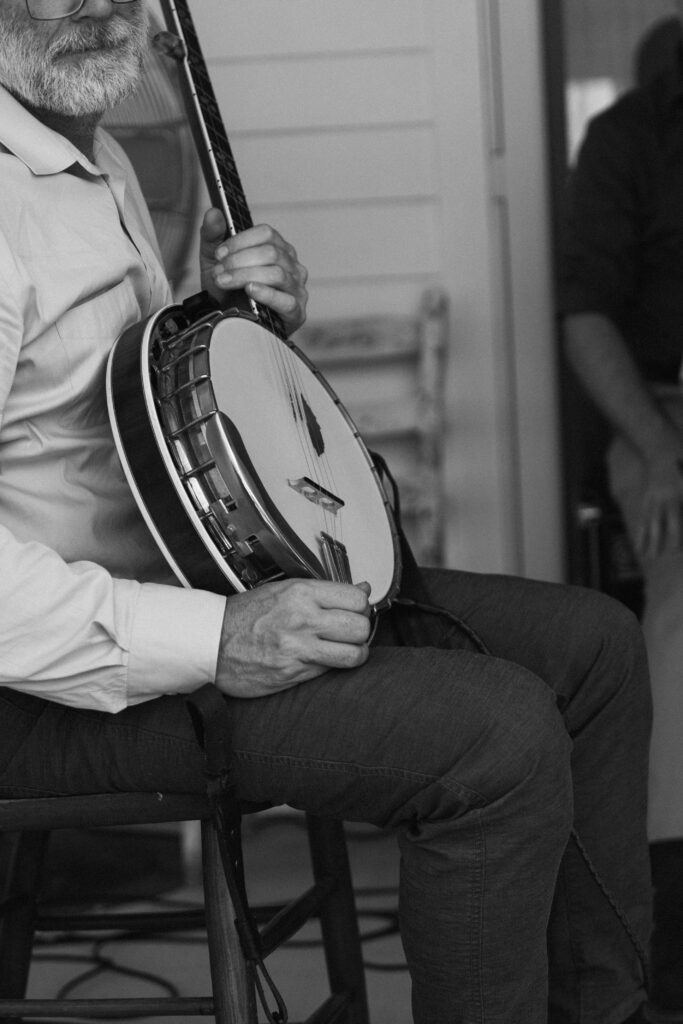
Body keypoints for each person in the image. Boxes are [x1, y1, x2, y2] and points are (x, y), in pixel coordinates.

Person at [0, 1, 654, 1021]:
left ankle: (598, 1010)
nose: (87, 1)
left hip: (193, 584)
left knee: (594, 650)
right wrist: (221, 635)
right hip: (59, 693)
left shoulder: (97, 164)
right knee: (497, 737)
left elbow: (133, 419)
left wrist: (239, 316)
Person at [560, 18, 683, 1017]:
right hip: (662, 406)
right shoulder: (627, 139)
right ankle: (664, 923)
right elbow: (586, 311)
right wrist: (652, 449)